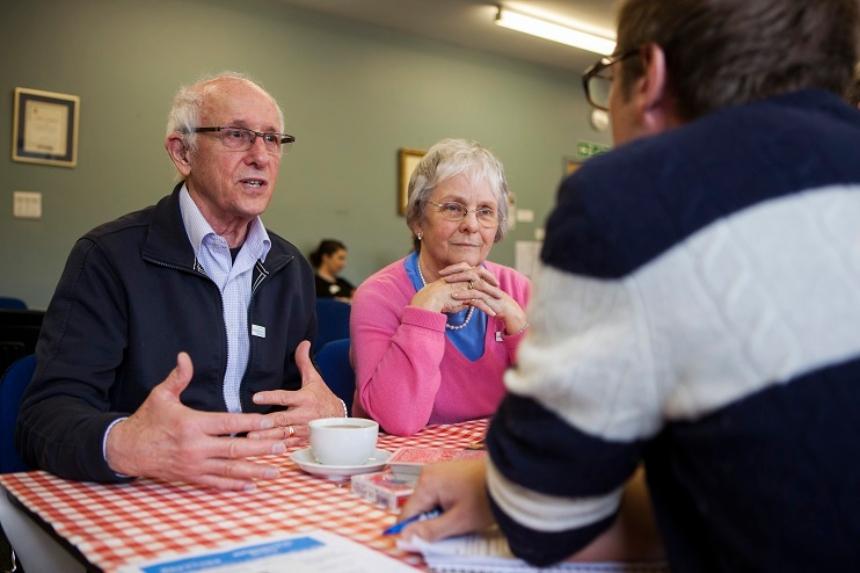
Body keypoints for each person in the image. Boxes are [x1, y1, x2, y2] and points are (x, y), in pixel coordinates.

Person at [399, 0, 860, 570]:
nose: (472, 226)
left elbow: (547, 517)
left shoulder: (628, 195)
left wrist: (497, 486)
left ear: (650, 78)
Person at [16, 72, 346, 490]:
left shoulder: (289, 267)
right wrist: (128, 443)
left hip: (264, 489)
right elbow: (44, 416)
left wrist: (331, 408)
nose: (261, 156)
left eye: (272, 139)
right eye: (238, 135)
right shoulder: (107, 257)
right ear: (182, 152)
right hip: (149, 491)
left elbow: (303, 399)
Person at [350, 139, 531, 436]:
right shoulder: (378, 296)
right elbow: (398, 420)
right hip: (409, 468)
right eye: (453, 208)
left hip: (498, 460)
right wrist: (425, 311)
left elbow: (561, 409)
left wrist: (519, 325)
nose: (471, 225)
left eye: (485, 211)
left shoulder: (517, 289)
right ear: (419, 220)